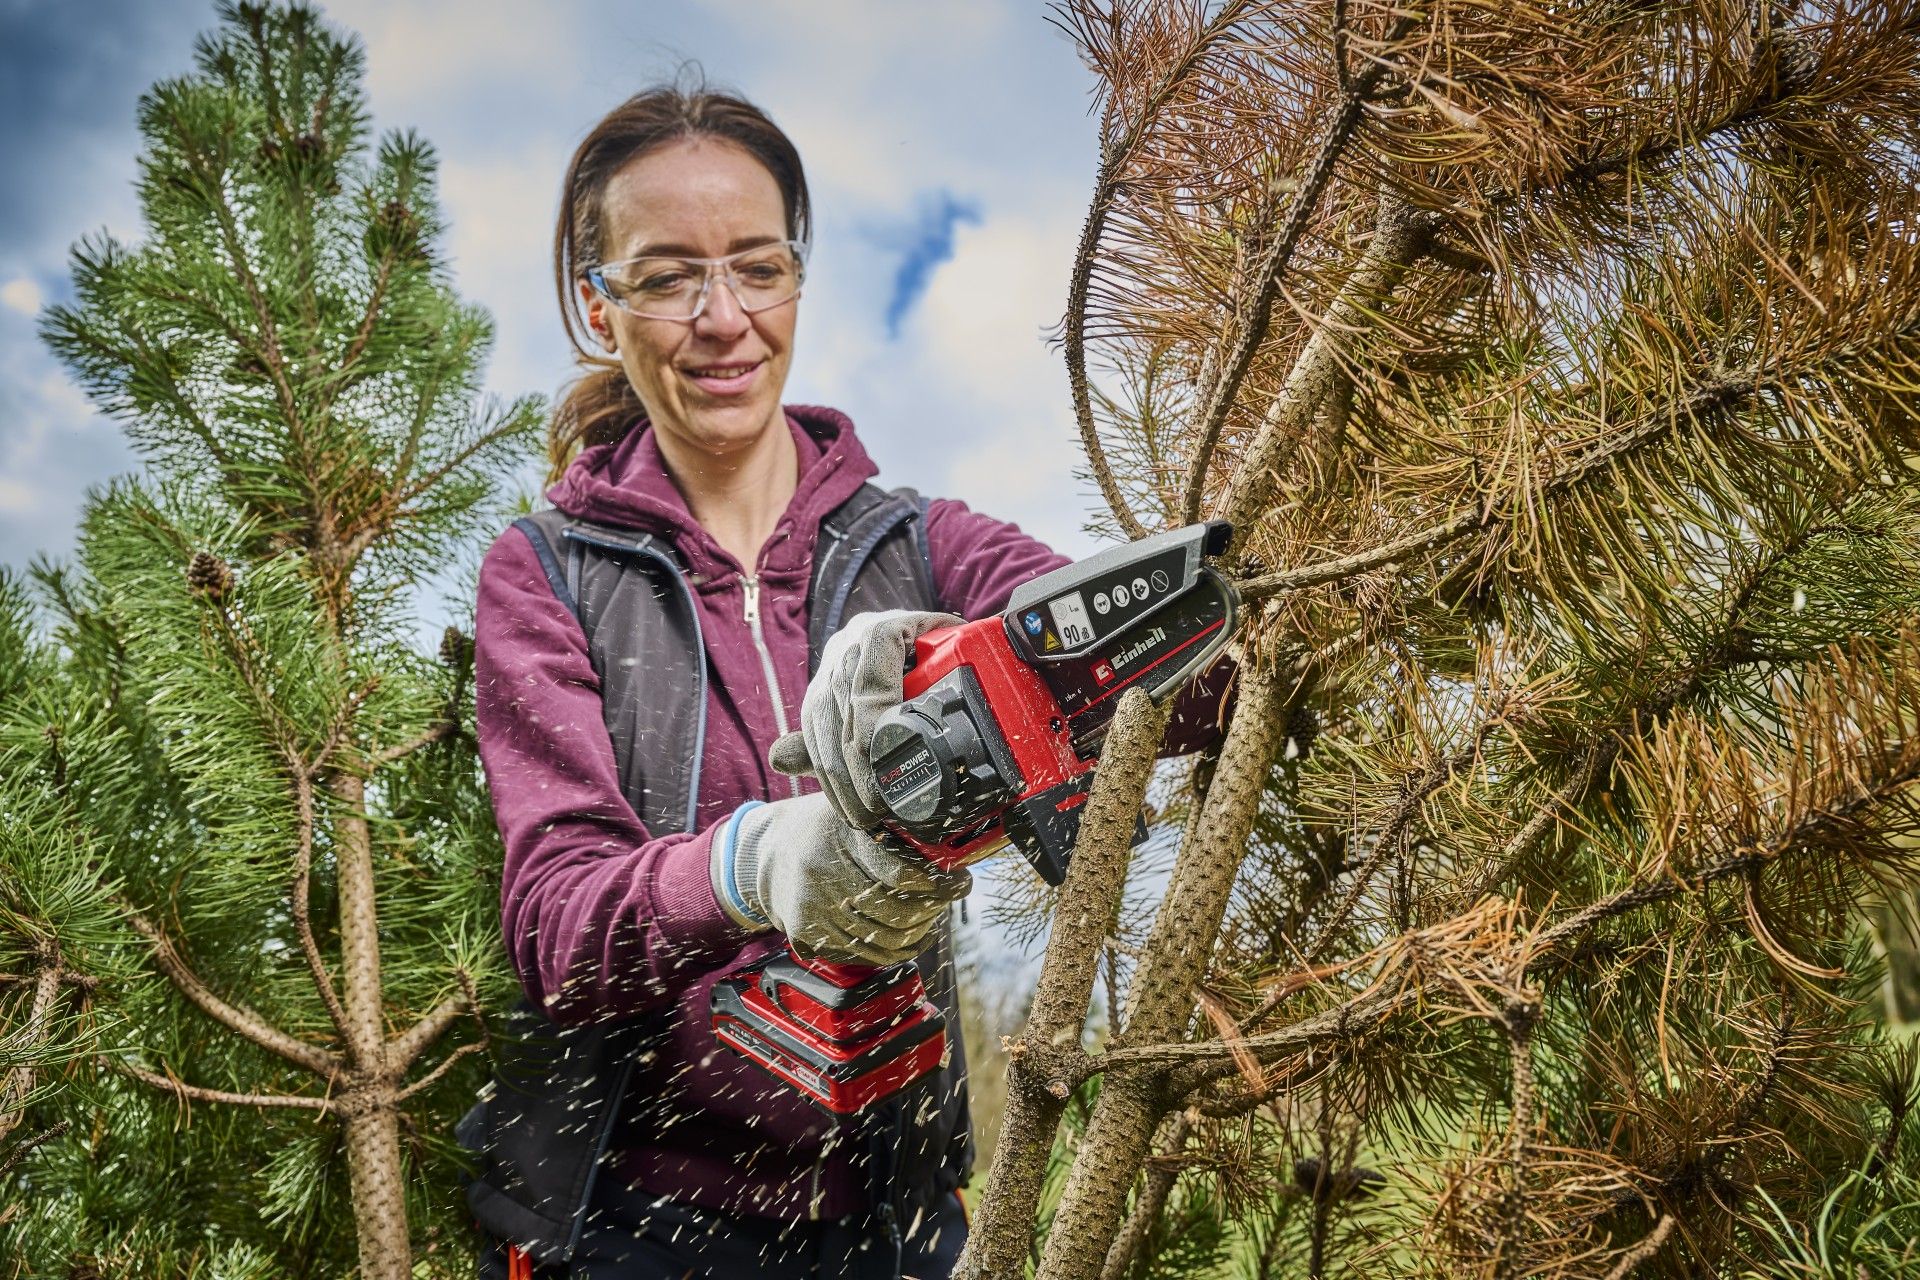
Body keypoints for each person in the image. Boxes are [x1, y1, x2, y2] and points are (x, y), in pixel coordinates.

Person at [460, 80, 1226, 1279]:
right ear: (600, 309)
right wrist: (754, 861)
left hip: (893, 1215)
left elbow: (1178, 677)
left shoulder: (919, 544)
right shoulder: (549, 573)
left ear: (798, 279)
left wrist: (988, 674)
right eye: (667, 277)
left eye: (758, 267)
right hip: (632, 1222)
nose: (725, 318)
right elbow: (559, 924)